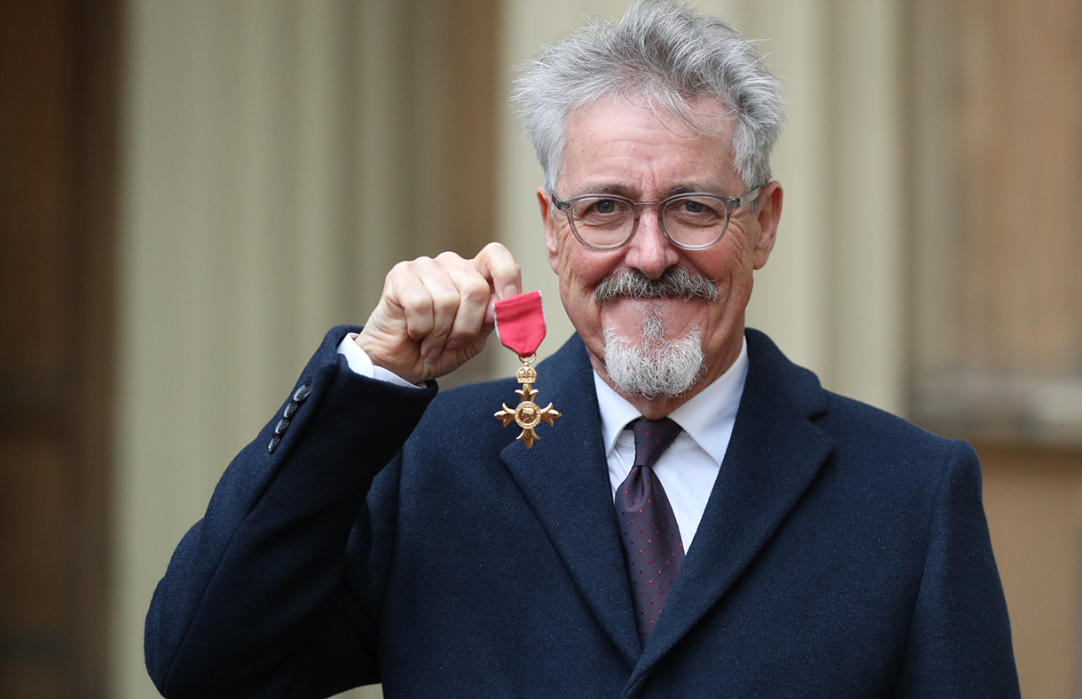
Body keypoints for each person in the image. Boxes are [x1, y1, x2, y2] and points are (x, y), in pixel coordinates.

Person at [146, 1, 1020, 696]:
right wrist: (367, 379)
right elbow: (204, 663)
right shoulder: (429, 467)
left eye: (693, 207)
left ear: (763, 224)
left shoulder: (911, 493)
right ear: (551, 232)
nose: (649, 253)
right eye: (605, 208)